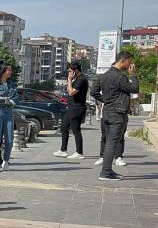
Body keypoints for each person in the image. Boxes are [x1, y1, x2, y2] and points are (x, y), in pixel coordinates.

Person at [90, 52, 138, 180]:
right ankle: (105, 172)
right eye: (130, 62)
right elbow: (134, 88)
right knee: (112, 143)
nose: (131, 65)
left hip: (107, 112)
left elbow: (93, 91)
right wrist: (133, 75)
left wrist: (105, 100)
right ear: (123, 61)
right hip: (117, 114)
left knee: (109, 142)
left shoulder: (105, 75)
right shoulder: (119, 77)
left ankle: (108, 170)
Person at [53, 61, 89, 159]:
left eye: (70, 71)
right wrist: (70, 80)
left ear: (75, 71)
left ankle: (79, 152)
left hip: (77, 108)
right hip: (71, 107)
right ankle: (63, 150)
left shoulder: (81, 80)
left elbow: (71, 92)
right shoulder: (76, 79)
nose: (68, 73)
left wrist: (69, 80)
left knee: (75, 130)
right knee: (64, 127)